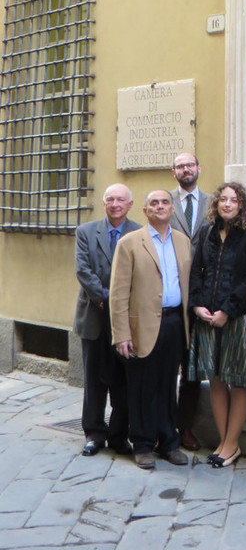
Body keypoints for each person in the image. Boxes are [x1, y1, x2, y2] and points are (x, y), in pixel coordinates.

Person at [110, 190, 191, 470]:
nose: (160, 206)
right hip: (142, 325)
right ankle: (143, 444)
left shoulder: (183, 242)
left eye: (165, 202)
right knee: (143, 386)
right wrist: (121, 333)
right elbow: (118, 293)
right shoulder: (130, 243)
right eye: (153, 203)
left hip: (174, 323)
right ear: (145, 211)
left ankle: (169, 442)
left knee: (169, 385)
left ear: (172, 209)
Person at [187, 182, 246, 468]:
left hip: (237, 318)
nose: (228, 204)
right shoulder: (206, 233)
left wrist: (226, 311)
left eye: (234, 200)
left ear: (242, 205)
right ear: (217, 203)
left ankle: (232, 444)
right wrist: (196, 305)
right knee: (217, 380)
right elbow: (196, 270)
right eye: (223, 199)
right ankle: (223, 441)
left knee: (238, 382)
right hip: (206, 317)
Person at [73, 183, 140, 457]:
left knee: (123, 379)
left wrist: (119, 303)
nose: (115, 204)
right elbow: (83, 270)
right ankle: (94, 433)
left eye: (120, 200)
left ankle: (118, 435)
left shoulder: (138, 233)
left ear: (129, 204)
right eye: (110, 199)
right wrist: (107, 298)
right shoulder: (86, 232)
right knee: (93, 379)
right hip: (94, 315)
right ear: (104, 203)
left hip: (126, 320)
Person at [171, 152, 211, 451]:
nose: (186, 169)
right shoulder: (164, 202)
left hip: (202, 295)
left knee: (192, 368)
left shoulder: (214, 202)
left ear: (199, 168)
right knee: (165, 366)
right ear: (174, 172)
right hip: (171, 294)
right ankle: (162, 424)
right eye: (180, 166)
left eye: (190, 164)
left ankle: (184, 427)